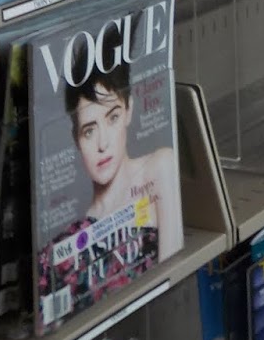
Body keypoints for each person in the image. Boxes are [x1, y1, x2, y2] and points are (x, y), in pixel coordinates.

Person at [63, 22, 183, 262]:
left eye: (113, 118)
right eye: (89, 131)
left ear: (129, 110)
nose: (103, 144)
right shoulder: (75, 233)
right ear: (76, 138)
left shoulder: (159, 167)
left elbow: (172, 268)